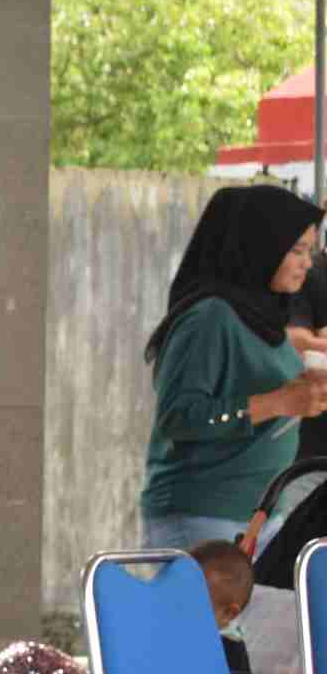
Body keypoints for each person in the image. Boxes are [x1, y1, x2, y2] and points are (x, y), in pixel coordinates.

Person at [140, 184, 327, 550]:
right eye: (296, 250)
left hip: (257, 515)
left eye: (309, 250)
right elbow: (179, 415)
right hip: (203, 516)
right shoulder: (209, 318)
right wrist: (279, 401)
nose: (308, 262)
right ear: (261, 247)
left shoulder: (261, 316)